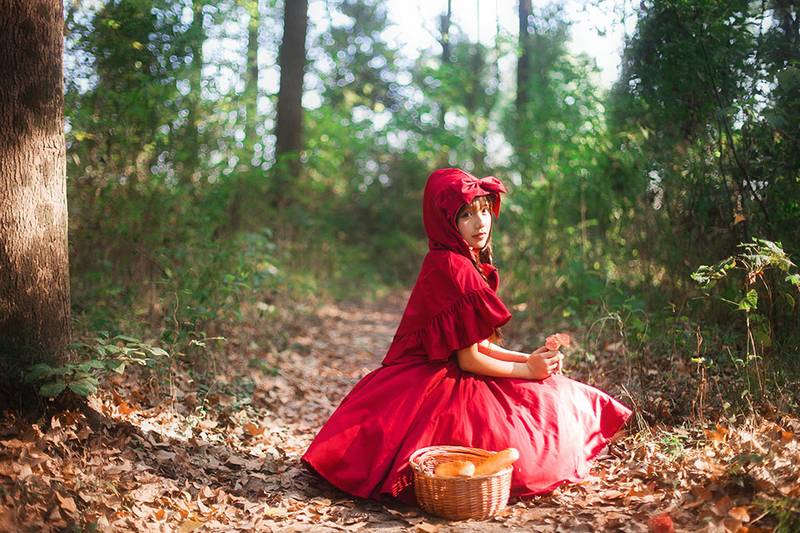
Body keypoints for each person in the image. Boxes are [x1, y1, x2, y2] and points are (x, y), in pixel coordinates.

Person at [301, 168, 632, 504]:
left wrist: (529, 360)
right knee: (540, 414)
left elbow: (479, 344)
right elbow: (469, 358)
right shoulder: (452, 266)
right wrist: (528, 371)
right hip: (435, 380)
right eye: (467, 215)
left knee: (555, 391)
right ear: (446, 222)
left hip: (446, 369)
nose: (480, 223)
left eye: (485, 211)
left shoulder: (456, 259)